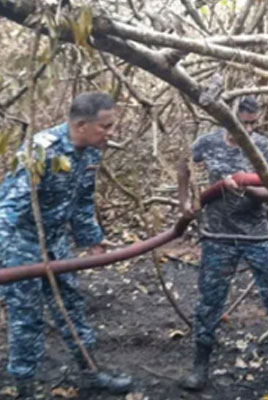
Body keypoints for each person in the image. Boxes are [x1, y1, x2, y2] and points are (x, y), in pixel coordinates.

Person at [0, 92, 133, 397]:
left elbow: (83, 200)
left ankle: (90, 373)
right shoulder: (40, 150)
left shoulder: (91, 151)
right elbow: (9, 207)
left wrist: (92, 239)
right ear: (82, 125)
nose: (111, 134)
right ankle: (25, 389)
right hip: (21, 246)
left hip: (57, 245)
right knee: (27, 320)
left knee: (72, 309)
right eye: (106, 127)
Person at [177, 96, 268, 391]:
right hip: (218, 235)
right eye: (244, 123)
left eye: (254, 123)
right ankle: (200, 365)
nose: (249, 130)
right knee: (209, 300)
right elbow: (184, 164)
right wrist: (185, 200)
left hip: (256, 232)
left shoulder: (261, 147)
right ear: (228, 119)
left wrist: (247, 187)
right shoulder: (207, 143)